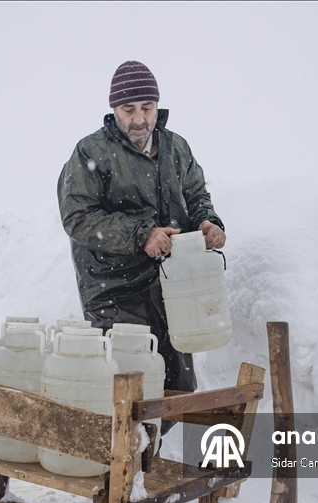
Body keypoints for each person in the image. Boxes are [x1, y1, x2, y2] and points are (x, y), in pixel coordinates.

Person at [57, 60, 226, 403]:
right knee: (127, 394)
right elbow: (77, 217)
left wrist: (208, 222)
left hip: (169, 288)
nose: (139, 119)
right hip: (114, 293)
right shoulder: (91, 153)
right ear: (114, 110)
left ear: (157, 105)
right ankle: (124, 457)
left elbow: (196, 195)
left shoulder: (176, 147)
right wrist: (140, 235)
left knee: (177, 387)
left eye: (147, 107)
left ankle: (158, 454)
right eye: (128, 108)